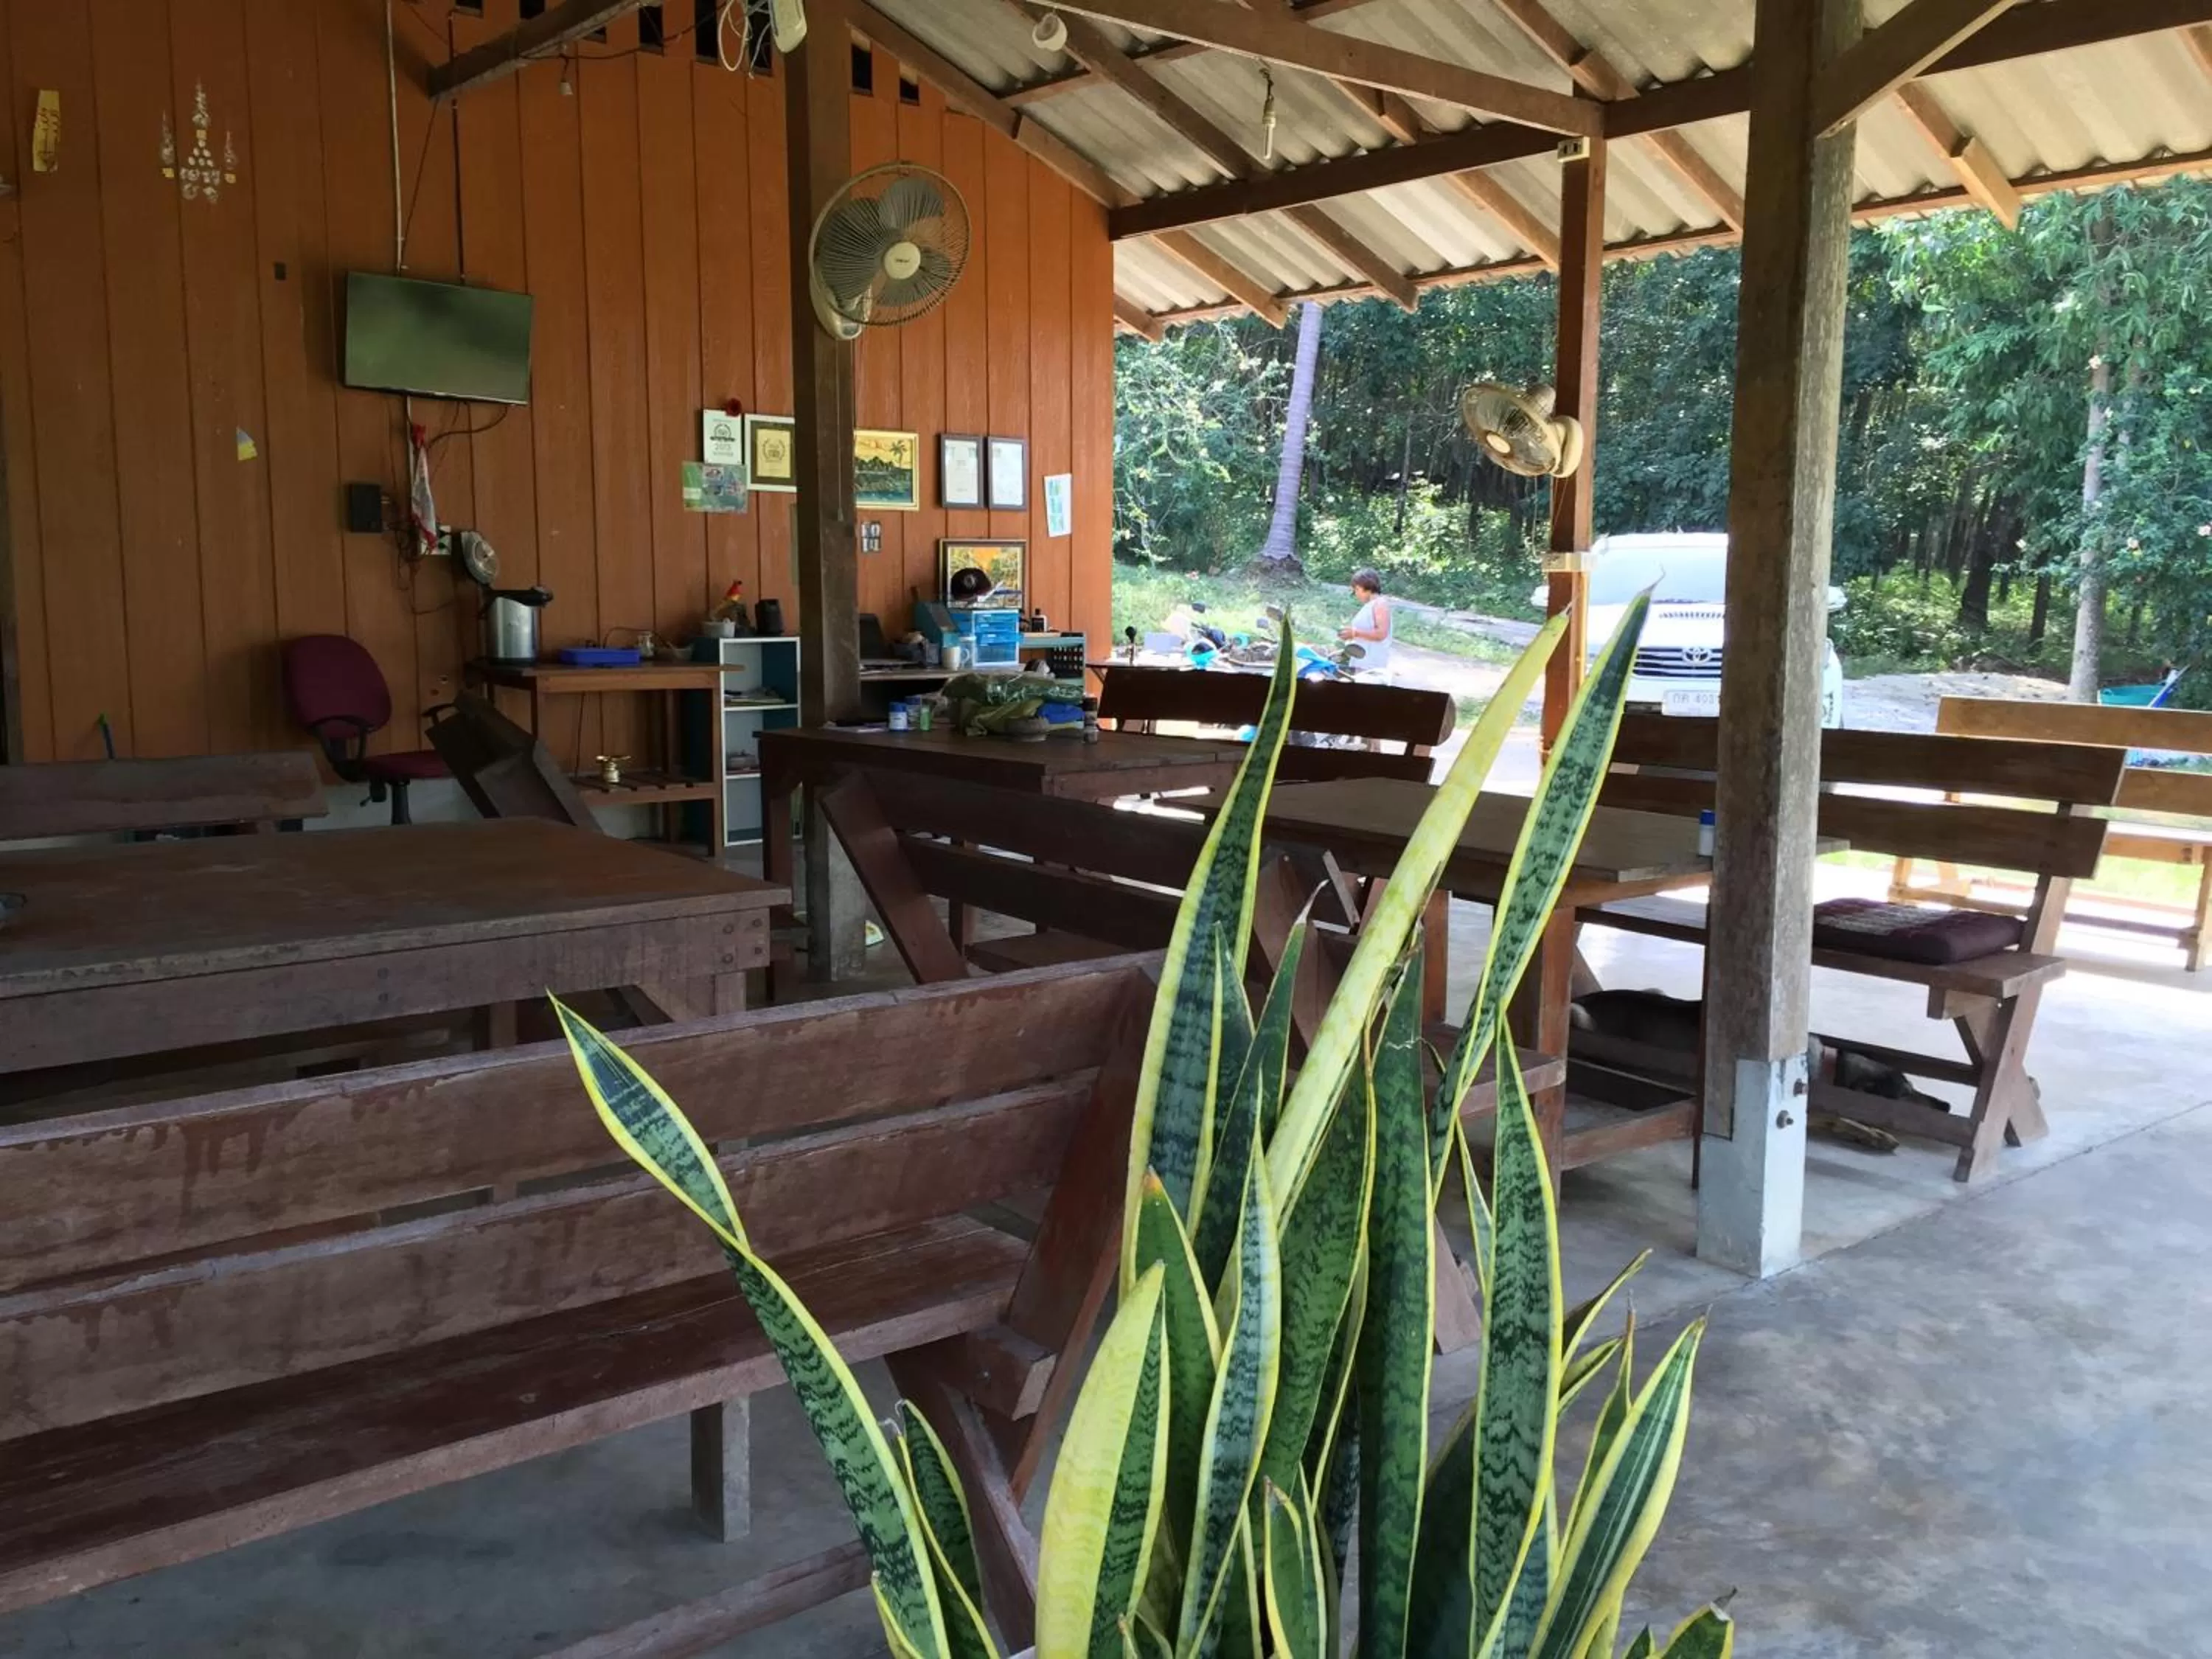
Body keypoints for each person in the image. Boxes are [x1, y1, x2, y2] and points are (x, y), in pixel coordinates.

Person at [1339, 568, 1394, 680]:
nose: (1356, 593)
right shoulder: (1369, 605)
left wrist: (1355, 633)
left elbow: (1381, 634)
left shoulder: (1380, 604)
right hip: (1361, 660)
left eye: (1357, 589)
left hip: (1371, 663)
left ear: (1367, 586)